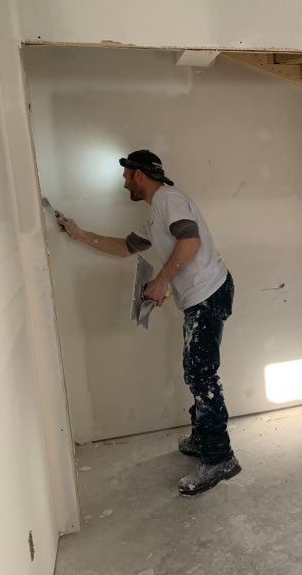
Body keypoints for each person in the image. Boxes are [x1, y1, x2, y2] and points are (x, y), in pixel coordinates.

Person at [59, 149, 240, 496]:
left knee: (201, 372)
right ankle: (204, 437)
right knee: (195, 368)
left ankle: (220, 458)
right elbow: (125, 247)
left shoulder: (168, 200)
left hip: (209, 292)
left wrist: (159, 282)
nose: (124, 182)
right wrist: (80, 234)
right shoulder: (155, 214)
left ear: (138, 174)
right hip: (199, 296)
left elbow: (190, 241)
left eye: (126, 175)